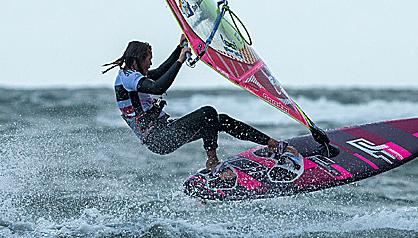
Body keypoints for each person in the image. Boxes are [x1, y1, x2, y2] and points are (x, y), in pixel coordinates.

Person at [102, 36, 299, 176]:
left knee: (220, 120)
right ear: (136, 61)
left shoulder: (134, 75)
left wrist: (179, 48)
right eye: (148, 60)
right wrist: (180, 60)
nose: (150, 64)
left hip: (164, 131)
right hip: (158, 138)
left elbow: (160, 71)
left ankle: (271, 143)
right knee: (208, 113)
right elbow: (158, 87)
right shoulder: (127, 78)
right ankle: (213, 162)